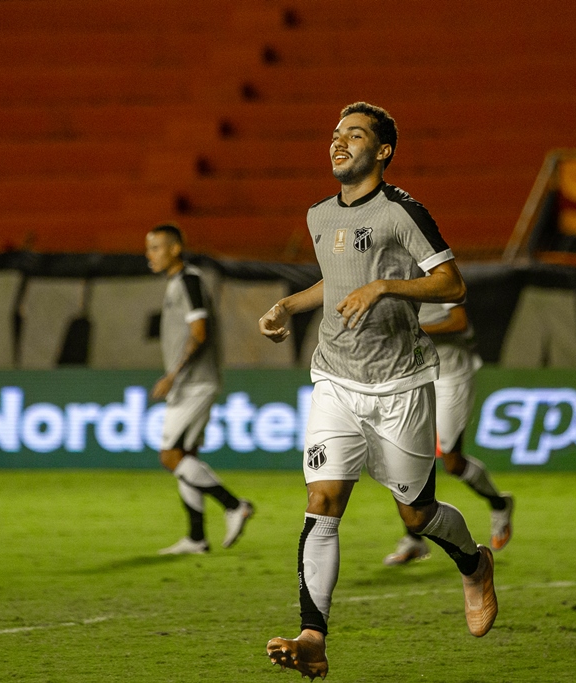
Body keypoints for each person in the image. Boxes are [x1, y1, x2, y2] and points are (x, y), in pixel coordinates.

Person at [259, 102, 498, 679]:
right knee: (322, 500)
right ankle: (313, 635)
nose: (338, 143)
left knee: (415, 516)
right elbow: (336, 281)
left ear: (383, 151)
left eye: (355, 135)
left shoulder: (402, 212)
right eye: (336, 134)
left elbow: (453, 282)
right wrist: (290, 304)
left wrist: (386, 286)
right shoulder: (319, 214)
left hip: (400, 383)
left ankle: (474, 563)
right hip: (335, 379)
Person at [145, 223, 253, 555]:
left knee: (170, 456)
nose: (149, 255)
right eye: (148, 248)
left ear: (175, 248)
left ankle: (234, 505)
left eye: (156, 248)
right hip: (191, 382)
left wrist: (173, 375)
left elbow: (200, 332)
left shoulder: (189, 281)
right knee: (187, 455)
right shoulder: (177, 283)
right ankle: (196, 538)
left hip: (195, 383)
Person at [383, 302, 515, 566]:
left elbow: (458, 322)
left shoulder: (436, 270)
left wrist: (413, 328)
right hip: (414, 373)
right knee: (404, 457)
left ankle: (499, 504)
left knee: (452, 462)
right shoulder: (388, 276)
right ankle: (414, 539)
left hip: (451, 374)